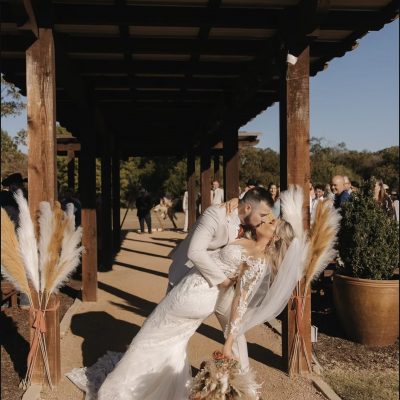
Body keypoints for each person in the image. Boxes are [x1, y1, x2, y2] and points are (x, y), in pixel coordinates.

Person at [67, 188, 303, 399]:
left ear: (275, 238)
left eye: (271, 223)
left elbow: (240, 304)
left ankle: (117, 392)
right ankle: (163, 390)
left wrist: (228, 343)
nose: (266, 220)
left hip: (195, 295)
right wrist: (234, 200)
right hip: (195, 290)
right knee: (171, 344)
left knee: (148, 337)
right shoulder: (245, 236)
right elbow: (216, 240)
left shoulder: (258, 260)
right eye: (265, 217)